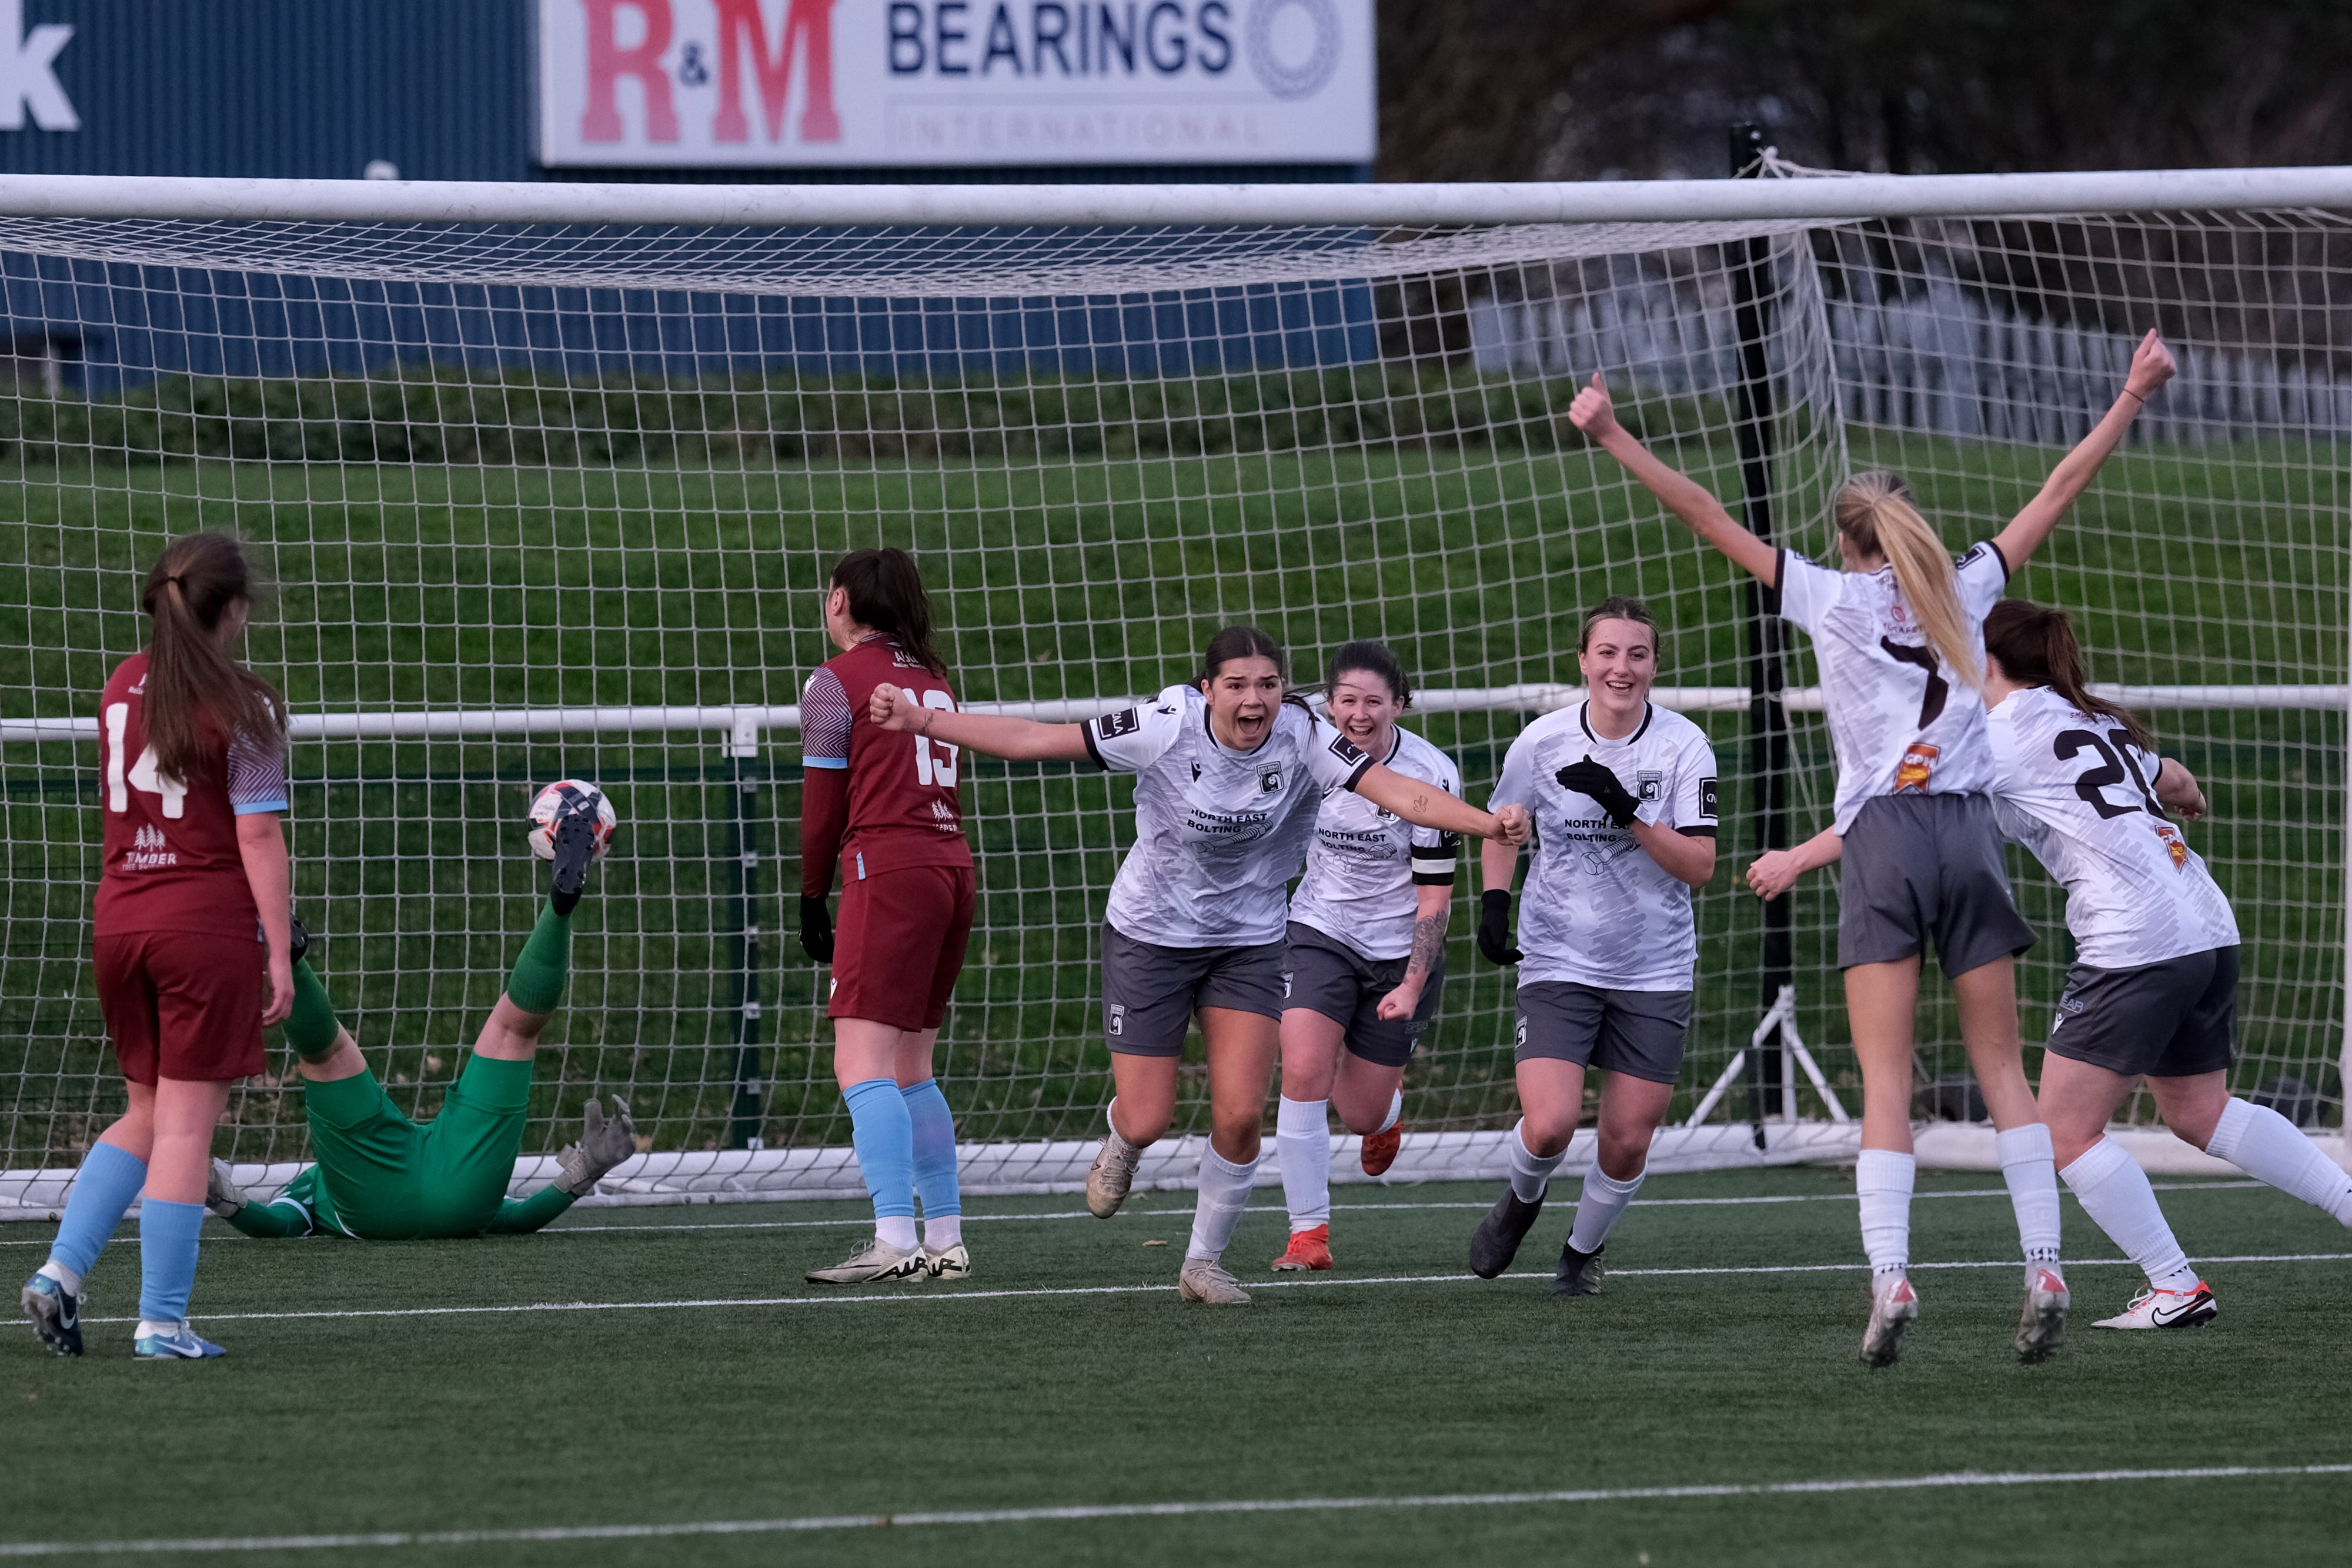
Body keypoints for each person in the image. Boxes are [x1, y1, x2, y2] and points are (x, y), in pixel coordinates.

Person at [1570, 328, 2179, 1367]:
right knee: (2003, 1073)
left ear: (1846, 541)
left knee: (1887, 1082)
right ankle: (2043, 1262)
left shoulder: (1829, 596)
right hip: (1968, 832)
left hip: (1884, 838)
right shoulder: (1969, 587)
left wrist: (1615, 433)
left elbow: (1707, 511)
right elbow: (2059, 486)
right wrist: (2131, 392)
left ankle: (1893, 1274)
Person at [868, 626, 1530, 1304]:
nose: (1255, 700)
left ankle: (1203, 1263)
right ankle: (1124, 1139)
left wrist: (1488, 825)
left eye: (1268, 685)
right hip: (1150, 937)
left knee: (1241, 1115)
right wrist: (922, 719)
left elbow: (1401, 793)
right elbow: (1038, 740)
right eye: (1237, 686)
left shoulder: (1305, 735)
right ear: (1206, 689)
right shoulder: (1164, 723)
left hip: (1247, 941)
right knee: (1149, 1116)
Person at [1752, 600, 2352, 1330]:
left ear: (1986, 661)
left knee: (2063, 1129)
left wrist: (1793, 858)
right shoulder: (2092, 719)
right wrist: (2187, 799)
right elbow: (2177, 780)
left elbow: (1885, 807)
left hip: (2134, 940)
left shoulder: (1990, 734)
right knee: (2199, 1111)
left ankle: (2175, 1285)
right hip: (2203, 920)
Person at [22, 532, 293, 1360]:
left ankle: (61, 1274)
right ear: (235, 610)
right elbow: (257, 835)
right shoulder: (248, 703)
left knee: (145, 1111)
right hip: (201, 926)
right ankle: (163, 1322)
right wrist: (278, 950)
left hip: (120, 921)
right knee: (184, 1127)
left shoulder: (119, 686)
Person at [202, 793, 638, 1242]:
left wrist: (224, 1199)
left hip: (381, 1202)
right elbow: (508, 1219)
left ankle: (286, 951)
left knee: (329, 1052)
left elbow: (284, 1227)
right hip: (451, 1192)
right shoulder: (321, 1177)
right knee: (508, 1030)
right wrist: (586, 1168)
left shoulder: (309, 1185)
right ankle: (561, 905)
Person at [1462, 598, 1719, 1295]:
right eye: (1607, 653)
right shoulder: (1541, 741)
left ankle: (1580, 1255)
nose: (1621, 668)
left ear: (1655, 665)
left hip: (1654, 966)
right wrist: (1493, 903)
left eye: (1637, 654)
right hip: (1558, 959)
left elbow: (1699, 866)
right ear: (1583, 661)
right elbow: (1501, 826)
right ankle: (1520, 1200)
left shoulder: (1682, 746)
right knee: (1547, 1127)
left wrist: (1626, 807)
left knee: (1627, 1141)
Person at [796, 549, 975, 1286]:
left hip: (889, 868)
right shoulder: (931, 679)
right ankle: (945, 1240)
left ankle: (894, 1240)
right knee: (912, 1066)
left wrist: (811, 893)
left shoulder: (833, 682)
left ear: (839, 601)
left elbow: (822, 805)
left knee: (861, 1064)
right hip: (952, 866)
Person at [1270, 641, 1464, 1273]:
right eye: (1346, 700)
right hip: (1319, 933)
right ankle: (1308, 1235)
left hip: (1397, 950)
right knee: (1302, 1070)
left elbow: (1435, 896)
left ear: (1398, 706)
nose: (1359, 713)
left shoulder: (1431, 776)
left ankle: (1387, 1114)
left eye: (1373, 702)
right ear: (1330, 705)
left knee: (1359, 1111)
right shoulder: (1309, 758)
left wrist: (1410, 983)